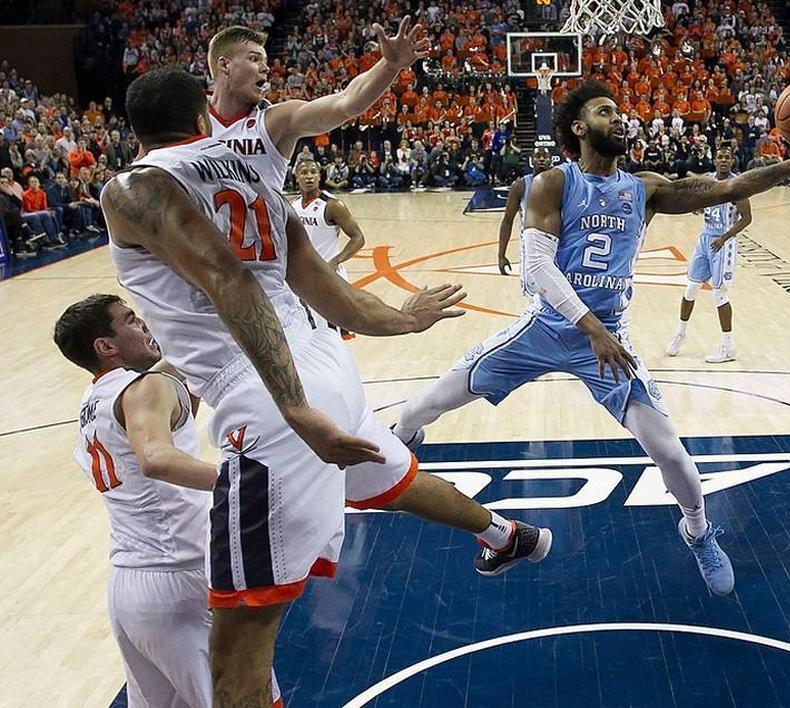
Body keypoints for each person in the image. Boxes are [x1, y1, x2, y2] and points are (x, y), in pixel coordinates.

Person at [104, 67, 552, 708]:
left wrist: (291, 407)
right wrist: (402, 317)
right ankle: (506, 535)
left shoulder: (133, 186)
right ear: (204, 114)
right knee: (391, 479)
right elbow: (321, 283)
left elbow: (228, 278)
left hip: (267, 393)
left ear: (134, 129)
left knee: (236, 655)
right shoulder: (255, 173)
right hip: (325, 362)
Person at [393, 81, 790, 597]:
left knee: (671, 455)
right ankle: (400, 447)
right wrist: (591, 327)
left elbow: (727, 189)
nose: (620, 118)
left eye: (622, 111)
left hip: (608, 340)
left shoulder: (644, 187)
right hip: (547, 329)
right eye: (607, 111)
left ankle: (698, 531)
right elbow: (536, 266)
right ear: (578, 128)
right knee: (421, 407)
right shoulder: (554, 183)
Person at [53, 294, 284, 708]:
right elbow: (156, 458)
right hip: (177, 577)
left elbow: (176, 407)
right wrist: (241, 483)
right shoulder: (139, 391)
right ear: (106, 346)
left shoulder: (94, 401)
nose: (141, 323)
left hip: (129, 584)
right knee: (251, 699)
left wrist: (186, 339)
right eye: (129, 320)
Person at [206, 18, 429, 193]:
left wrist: (389, 66)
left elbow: (346, 103)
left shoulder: (275, 120)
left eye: (265, 61)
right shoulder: (187, 118)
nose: (266, 68)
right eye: (254, 59)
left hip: (262, 252)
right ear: (225, 65)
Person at [664, 143, 752, 363]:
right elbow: (701, 204)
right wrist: (699, 208)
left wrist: (724, 237)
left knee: (719, 294)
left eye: (727, 157)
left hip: (724, 242)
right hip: (705, 239)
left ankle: (728, 346)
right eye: (720, 156)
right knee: (691, 288)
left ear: (732, 161)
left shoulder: (737, 186)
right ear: (714, 159)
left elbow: (747, 218)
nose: (723, 160)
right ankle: (681, 334)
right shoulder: (708, 181)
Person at [290, 158, 366, 339]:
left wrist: (336, 260)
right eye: (304, 173)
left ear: (319, 176)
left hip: (329, 276)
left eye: (313, 172)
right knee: (310, 334)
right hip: (303, 277)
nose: (309, 177)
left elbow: (358, 238)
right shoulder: (293, 205)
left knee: (335, 336)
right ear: (296, 177)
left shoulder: (333, 205)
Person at [496, 146, 553, 301]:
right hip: (530, 249)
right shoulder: (520, 186)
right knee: (534, 300)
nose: (541, 159)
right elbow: (507, 220)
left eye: (545, 156)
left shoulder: (560, 185)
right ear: (531, 161)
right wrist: (501, 255)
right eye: (538, 156)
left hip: (556, 248)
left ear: (551, 161)